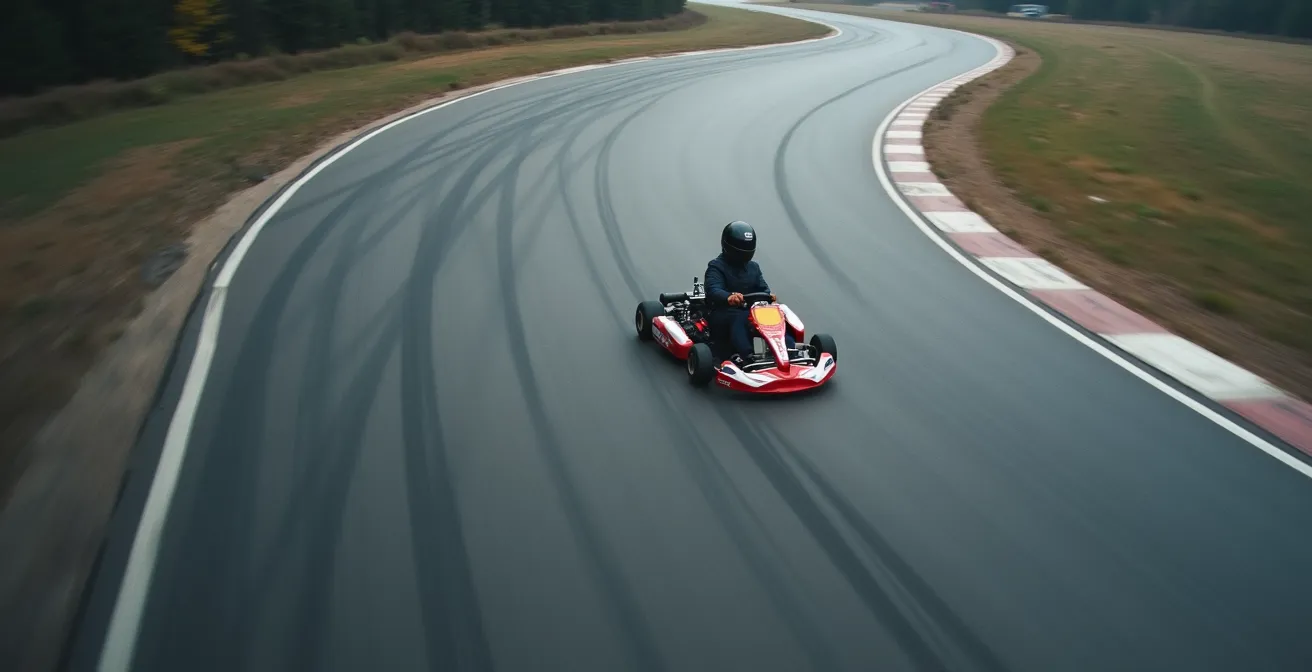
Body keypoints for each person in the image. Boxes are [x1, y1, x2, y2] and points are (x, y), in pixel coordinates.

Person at [705, 220, 795, 364]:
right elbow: (713, 289)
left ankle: (789, 350)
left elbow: (763, 288)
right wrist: (729, 297)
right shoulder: (716, 267)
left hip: (751, 310)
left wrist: (768, 296)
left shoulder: (753, 267)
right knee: (739, 318)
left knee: (776, 315)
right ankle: (747, 356)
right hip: (723, 312)